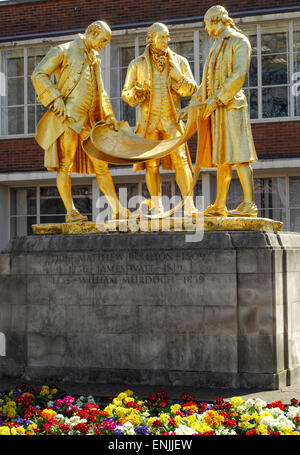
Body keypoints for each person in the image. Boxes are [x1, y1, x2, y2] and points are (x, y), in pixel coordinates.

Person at [31, 20, 129, 222]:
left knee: (101, 166)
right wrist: (55, 98)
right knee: (65, 164)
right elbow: (38, 74)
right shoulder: (63, 50)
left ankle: (118, 210)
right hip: (68, 118)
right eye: (103, 40)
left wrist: (109, 115)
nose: (104, 45)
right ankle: (71, 211)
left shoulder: (95, 58)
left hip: (91, 122)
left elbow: (100, 90)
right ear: (92, 32)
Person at [122, 22, 198, 216]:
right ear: (150, 39)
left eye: (167, 37)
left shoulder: (179, 62)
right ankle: (157, 206)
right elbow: (126, 94)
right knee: (151, 164)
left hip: (172, 120)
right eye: (162, 37)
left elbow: (192, 91)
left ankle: (189, 206)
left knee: (181, 160)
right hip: (149, 121)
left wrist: (178, 76)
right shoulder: (137, 64)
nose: (166, 40)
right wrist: (137, 93)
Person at [192, 5, 258, 217]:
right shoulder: (216, 44)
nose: (206, 28)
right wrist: (194, 103)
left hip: (232, 105)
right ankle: (220, 204)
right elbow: (208, 80)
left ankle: (249, 204)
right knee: (223, 157)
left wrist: (218, 97)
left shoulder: (239, 41)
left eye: (206, 24)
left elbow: (240, 74)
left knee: (240, 156)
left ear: (215, 20)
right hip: (217, 109)